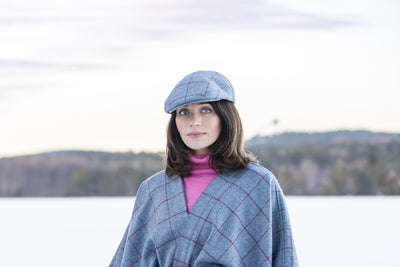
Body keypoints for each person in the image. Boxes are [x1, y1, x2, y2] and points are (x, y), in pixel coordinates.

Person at [110, 70, 298, 266]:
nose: (194, 121)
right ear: (175, 123)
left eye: (206, 110)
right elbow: (130, 259)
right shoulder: (153, 190)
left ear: (225, 117)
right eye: (184, 112)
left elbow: (283, 258)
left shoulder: (258, 184)